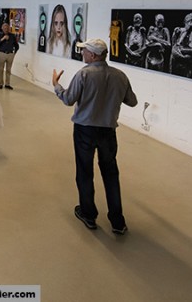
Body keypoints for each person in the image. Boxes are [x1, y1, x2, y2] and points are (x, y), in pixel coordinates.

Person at [52, 38, 138, 235]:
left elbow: (68, 99)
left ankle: (88, 214)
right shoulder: (120, 76)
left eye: (84, 51)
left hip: (85, 130)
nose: (82, 54)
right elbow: (132, 101)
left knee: (84, 171)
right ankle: (117, 221)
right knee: (110, 174)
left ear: (92, 55)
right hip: (108, 131)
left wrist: (56, 85)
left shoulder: (83, 74)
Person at [170, 13, 192, 79]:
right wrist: (181, 56)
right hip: (176, 60)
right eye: (191, 22)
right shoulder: (178, 31)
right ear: (186, 21)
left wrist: (183, 50)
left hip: (187, 62)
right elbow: (173, 47)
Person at [0, 22, 19, 89]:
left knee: (8, 70)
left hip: (10, 54)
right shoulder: (0, 35)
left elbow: (16, 45)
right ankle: (0, 84)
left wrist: (14, 53)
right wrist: (3, 38)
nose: (6, 29)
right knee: (1, 69)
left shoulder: (12, 36)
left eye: (7, 28)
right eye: (4, 28)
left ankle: (7, 84)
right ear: (2, 29)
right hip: (2, 54)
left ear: (9, 28)